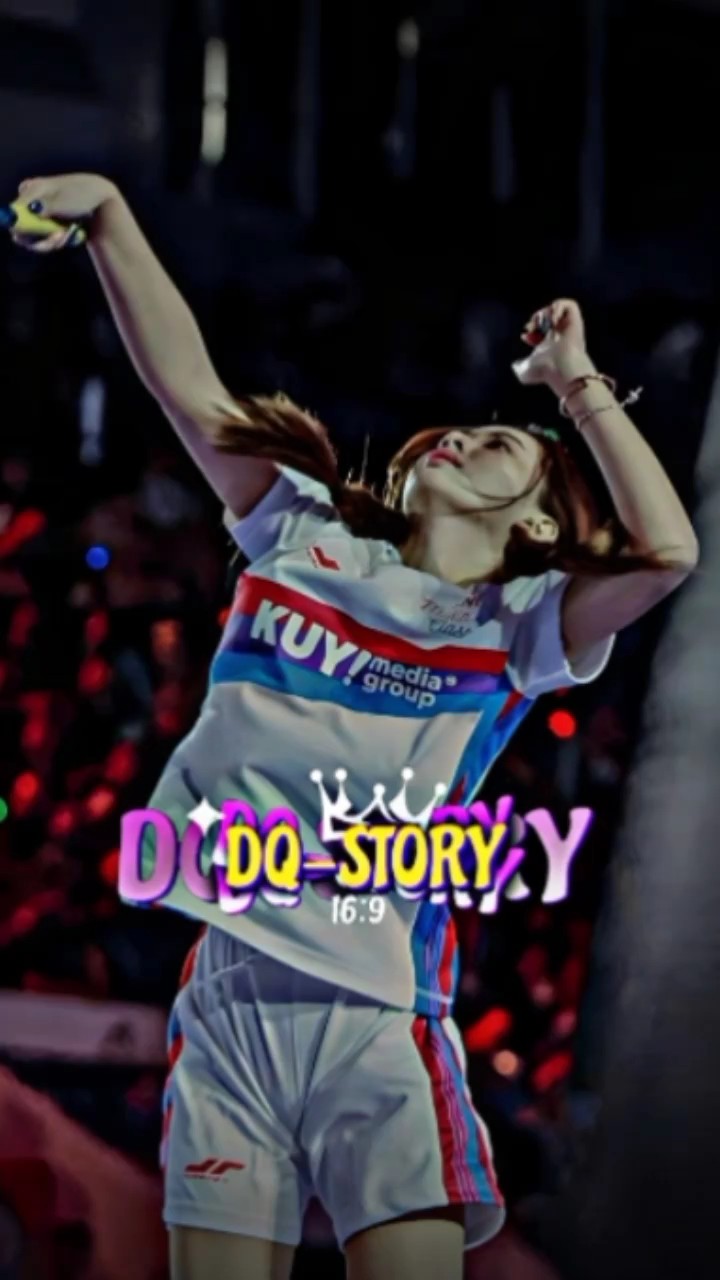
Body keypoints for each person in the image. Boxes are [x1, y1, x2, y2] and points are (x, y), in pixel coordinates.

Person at [10, 174, 699, 1280]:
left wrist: (575, 385)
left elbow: (667, 554)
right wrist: (109, 218)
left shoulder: (519, 625)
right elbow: (189, 388)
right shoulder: (302, 526)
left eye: (496, 443)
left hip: (380, 1015)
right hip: (230, 994)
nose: (459, 439)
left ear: (537, 521)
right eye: (459, 430)